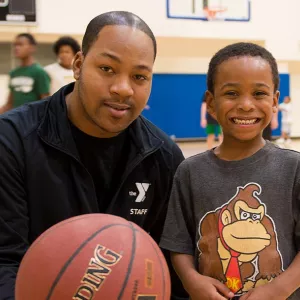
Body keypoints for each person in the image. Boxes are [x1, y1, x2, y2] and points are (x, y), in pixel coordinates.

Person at [0, 11, 186, 300]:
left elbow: (171, 269)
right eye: (107, 69)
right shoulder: (12, 141)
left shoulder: (165, 157)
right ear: (78, 64)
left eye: (139, 76)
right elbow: (5, 260)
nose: (123, 88)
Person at [160, 42, 300, 300]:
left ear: (274, 101)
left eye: (259, 93)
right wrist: (192, 282)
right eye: (232, 93)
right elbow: (178, 245)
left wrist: (278, 289)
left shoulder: (294, 168)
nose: (246, 105)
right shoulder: (189, 172)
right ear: (211, 104)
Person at [0, 33, 50, 113]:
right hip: (15, 121)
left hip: (32, 121)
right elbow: (9, 104)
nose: (16, 48)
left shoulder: (39, 72)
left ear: (32, 48)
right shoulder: (13, 73)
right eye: (15, 45)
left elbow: (45, 102)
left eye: (20, 44)